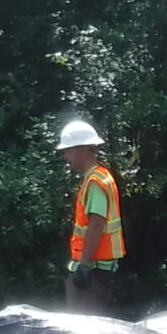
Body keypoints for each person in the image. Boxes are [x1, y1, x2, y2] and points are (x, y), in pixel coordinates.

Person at [59, 119, 124, 315]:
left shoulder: (95, 182)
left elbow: (96, 224)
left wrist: (84, 266)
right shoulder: (98, 177)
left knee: (84, 329)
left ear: (84, 149)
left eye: (69, 150)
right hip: (95, 267)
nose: (66, 156)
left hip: (93, 269)